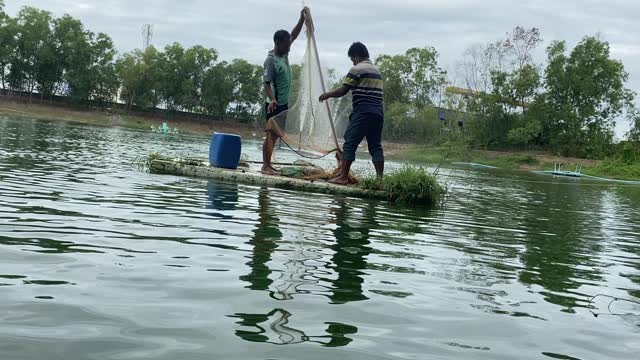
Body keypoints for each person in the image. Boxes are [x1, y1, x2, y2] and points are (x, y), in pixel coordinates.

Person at [319, 42, 384, 185]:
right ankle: (380, 180)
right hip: (378, 113)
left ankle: (343, 177)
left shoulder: (357, 69)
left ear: (356, 56)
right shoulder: (376, 71)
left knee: (350, 143)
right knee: (375, 146)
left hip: (363, 111)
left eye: (352, 59)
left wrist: (327, 95)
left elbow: (343, 90)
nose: (352, 62)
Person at [261, 8, 307, 175]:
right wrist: (272, 100)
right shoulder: (271, 60)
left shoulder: (284, 55)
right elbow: (266, 84)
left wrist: (301, 18)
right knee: (271, 134)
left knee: (276, 135)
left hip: (283, 104)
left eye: (289, 43)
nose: (290, 45)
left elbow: (293, 35)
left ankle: (268, 164)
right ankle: (265, 166)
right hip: (273, 104)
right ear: (278, 43)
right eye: (287, 44)